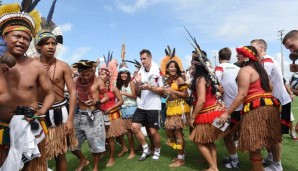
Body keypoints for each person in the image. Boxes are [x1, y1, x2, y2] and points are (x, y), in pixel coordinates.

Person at [0, 2, 56, 170]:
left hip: (29, 125)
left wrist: (41, 111)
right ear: (4, 37)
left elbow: (50, 94)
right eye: (16, 36)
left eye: (26, 38)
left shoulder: (36, 66)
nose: (21, 41)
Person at [218, 46, 282, 171]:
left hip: (256, 109)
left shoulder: (245, 70)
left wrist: (226, 113)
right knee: (271, 139)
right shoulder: (261, 70)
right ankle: (276, 165)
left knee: (253, 144)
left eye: (240, 54)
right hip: (270, 107)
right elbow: (270, 87)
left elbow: (241, 95)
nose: (237, 56)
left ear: (247, 56)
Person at [35, 30, 78, 170]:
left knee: (60, 152)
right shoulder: (32, 65)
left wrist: (70, 119)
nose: (51, 46)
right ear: (38, 46)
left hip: (60, 113)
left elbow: (72, 92)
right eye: (46, 43)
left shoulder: (63, 66)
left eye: (53, 43)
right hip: (39, 112)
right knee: (38, 153)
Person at [251, 39, 291, 171]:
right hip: (273, 101)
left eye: (253, 48)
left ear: (262, 48)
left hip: (278, 102)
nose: (250, 50)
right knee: (268, 133)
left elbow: (264, 83)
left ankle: (277, 165)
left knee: (274, 135)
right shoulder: (262, 61)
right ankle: (271, 157)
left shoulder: (266, 61)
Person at [189, 52, 226, 171]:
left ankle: (213, 167)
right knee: (209, 140)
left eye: (192, 65)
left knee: (198, 140)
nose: (191, 67)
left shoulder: (200, 79)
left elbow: (201, 100)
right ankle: (214, 167)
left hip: (208, 114)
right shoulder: (210, 77)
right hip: (217, 112)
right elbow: (221, 90)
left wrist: (192, 117)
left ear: (197, 66)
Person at [71, 60, 109, 171]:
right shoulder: (74, 81)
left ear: (91, 72)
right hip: (79, 115)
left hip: (95, 115)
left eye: (88, 74)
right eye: (83, 74)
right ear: (78, 72)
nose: (86, 77)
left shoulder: (98, 81)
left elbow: (106, 97)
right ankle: (83, 160)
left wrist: (96, 103)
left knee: (95, 144)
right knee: (72, 145)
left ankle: (95, 168)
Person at [131, 49, 164, 161]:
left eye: (144, 58)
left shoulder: (156, 71)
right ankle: (146, 148)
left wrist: (150, 87)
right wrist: (138, 83)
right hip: (142, 105)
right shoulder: (140, 71)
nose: (142, 61)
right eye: (141, 59)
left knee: (153, 131)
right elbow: (137, 92)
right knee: (134, 127)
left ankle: (157, 150)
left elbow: (163, 90)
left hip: (154, 106)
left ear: (150, 58)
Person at [215, 47, 242, 169]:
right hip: (240, 105)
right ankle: (233, 156)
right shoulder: (238, 68)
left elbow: (216, 83)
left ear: (220, 57)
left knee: (225, 134)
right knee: (230, 134)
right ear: (230, 57)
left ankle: (235, 160)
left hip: (227, 108)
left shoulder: (219, 67)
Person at [163, 60, 190, 167]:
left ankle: (180, 159)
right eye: (170, 67)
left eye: (174, 67)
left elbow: (186, 94)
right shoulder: (167, 80)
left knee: (177, 132)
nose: (173, 68)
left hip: (179, 108)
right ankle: (181, 154)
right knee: (169, 131)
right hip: (170, 108)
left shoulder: (179, 79)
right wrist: (164, 94)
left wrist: (172, 91)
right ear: (167, 69)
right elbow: (166, 95)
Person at [98, 67, 126, 167]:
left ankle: (112, 158)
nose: (100, 76)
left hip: (113, 114)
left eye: (102, 74)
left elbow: (121, 101)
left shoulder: (112, 87)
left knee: (111, 137)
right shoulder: (98, 88)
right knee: (108, 137)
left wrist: (111, 108)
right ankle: (122, 148)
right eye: (99, 74)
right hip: (101, 115)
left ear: (108, 76)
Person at [116, 67, 137, 159]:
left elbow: (135, 95)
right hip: (122, 109)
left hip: (131, 108)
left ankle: (133, 151)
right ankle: (131, 149)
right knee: (127, 132)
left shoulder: (131, 83)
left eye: (125, 73)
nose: (124, 75)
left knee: (131, 132)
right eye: (122, 73)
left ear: (128, 75)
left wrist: (123, 94)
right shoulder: (119, 84)